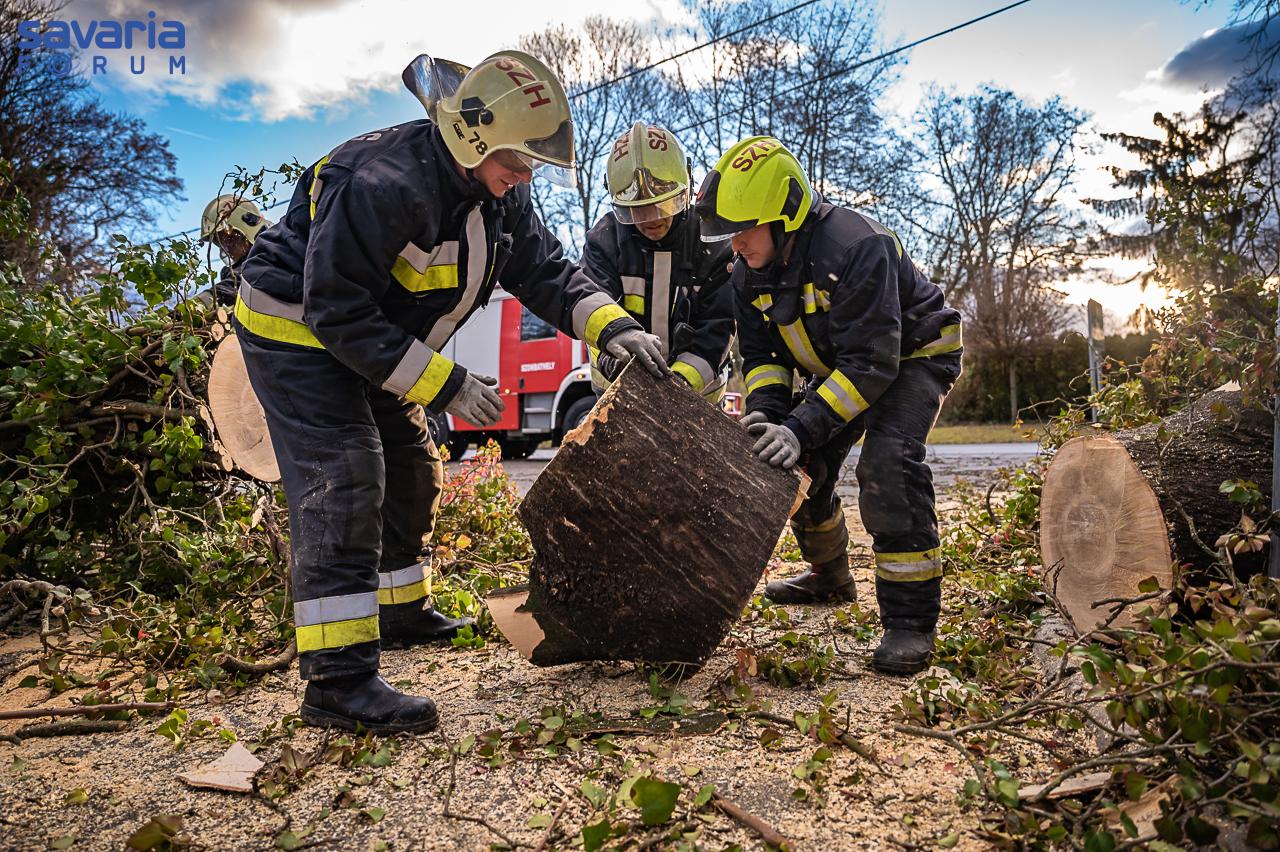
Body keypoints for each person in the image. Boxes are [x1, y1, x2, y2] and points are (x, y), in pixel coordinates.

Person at [234, 51, 666, 733]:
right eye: (517, 161)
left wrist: (613, 326)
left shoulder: (499, 192)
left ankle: (400, 610)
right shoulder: (378, 183)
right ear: (472, 139)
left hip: (376, 335)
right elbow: (337, 311)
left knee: (411, 465)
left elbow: (546, 271)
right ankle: (337, 682)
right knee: (347, 474)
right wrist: (448, 383)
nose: (525, 175)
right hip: (298, 331)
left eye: (531, 163)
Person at [694, 136, 963, 675]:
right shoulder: (746, 272)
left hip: (910, 357)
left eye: (744, 229)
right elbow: (763, 357)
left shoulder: (858, 246)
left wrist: (800, 426)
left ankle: (910, 622)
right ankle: (830, 576)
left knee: (887, 464)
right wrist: (769, 416)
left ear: (785, 216)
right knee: (797, 467)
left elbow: (871, 365)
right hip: (842, 364)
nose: (735, 243)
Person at [581, 122, 734, 399]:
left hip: (698, 402)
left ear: (685, 190)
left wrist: (678, 388)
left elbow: (717, 328)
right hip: (617, 394)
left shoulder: (710, 242)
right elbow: (593, 308)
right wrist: (612, 357)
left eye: (663, 204)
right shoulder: (605, 241)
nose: (651, 219)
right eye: (637, 210)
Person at [199, 195, 270, 306]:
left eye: (229, 240)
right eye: (220, 243)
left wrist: (197, 304)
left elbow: (234, 285)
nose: (227, 248)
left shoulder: (269, 257)